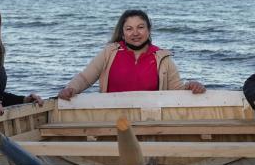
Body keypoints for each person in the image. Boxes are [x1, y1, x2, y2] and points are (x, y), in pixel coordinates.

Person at [58, 9, 205, 99]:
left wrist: (192, 86)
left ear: (149, 30)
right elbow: (85, 78)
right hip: (113, 120)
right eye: (129, 29)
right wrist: (70, 89)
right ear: (123, 33)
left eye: (140, 27)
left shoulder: (162, 58)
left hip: (150, 121)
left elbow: (177, 91)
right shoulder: (109, 53)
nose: (135, 33)